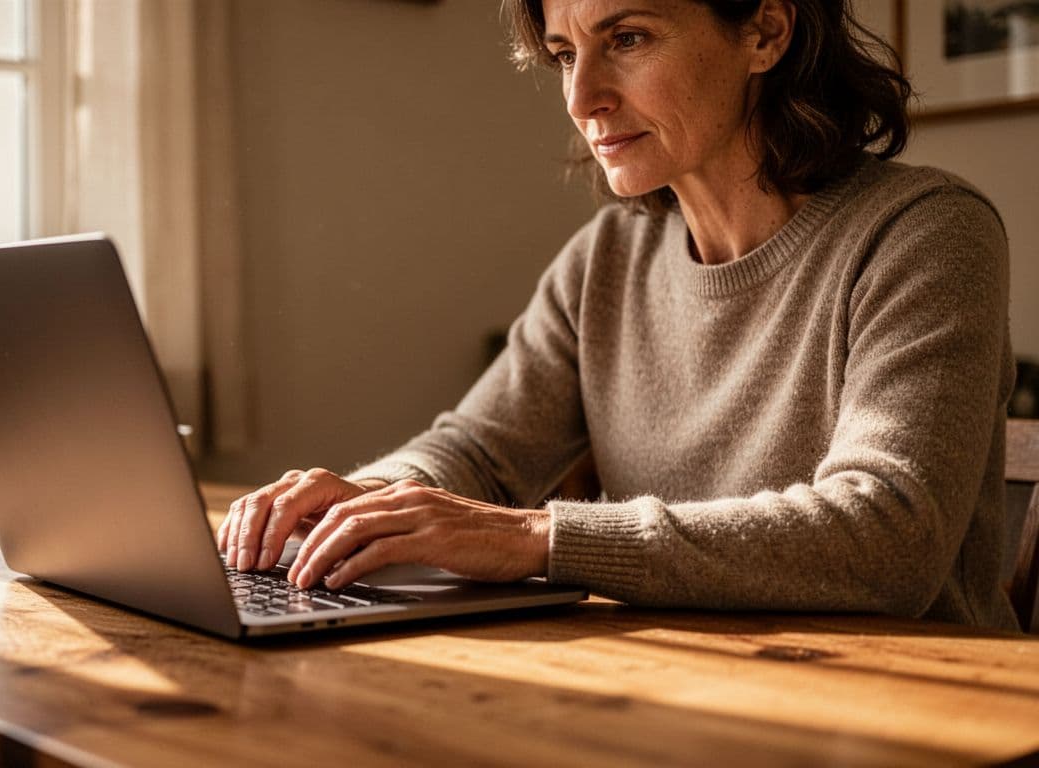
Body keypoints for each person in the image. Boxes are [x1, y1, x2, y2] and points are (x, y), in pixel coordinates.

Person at [216, 0, 1019, 630]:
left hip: (909, 708)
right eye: (566, 54)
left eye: (628, 39)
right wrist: (365, 503)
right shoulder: (608, 256)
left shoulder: (926, 232)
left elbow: (890, 535)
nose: (581, 97)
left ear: (766, 32)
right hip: (684, 691)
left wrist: (535, 539)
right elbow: (480, 449)